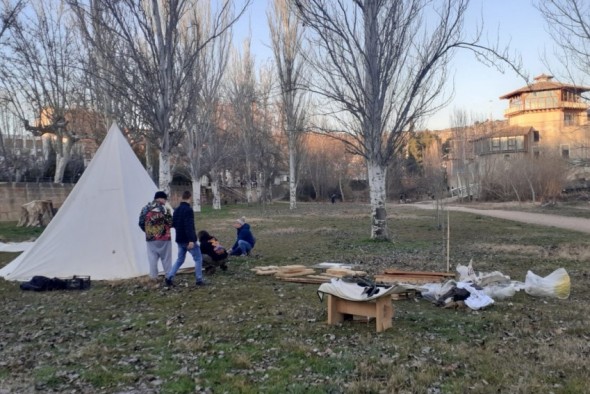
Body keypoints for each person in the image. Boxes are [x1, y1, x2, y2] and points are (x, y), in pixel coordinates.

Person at [166, 190, 205, 287]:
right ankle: (199, 280)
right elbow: (189, 226)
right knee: (198, 258)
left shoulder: (176, 210)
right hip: (188, 240)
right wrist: (191, 240)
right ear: (190, 198)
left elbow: (173, 224)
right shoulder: (188, 210)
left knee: (180, 259)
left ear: (182, 197)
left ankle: (169, 277)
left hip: (179, 239)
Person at [138, 191, 173, 281]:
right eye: (165, 199)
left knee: (152, 258)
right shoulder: (165, 209)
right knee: (166, 258)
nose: (165, 201)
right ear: (161, 198)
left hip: (151, 238)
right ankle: (169, 276)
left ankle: (153, 277)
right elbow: (170, 222)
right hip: (165, 237)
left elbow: (141, 223)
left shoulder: (146, 208)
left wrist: (148, 232)